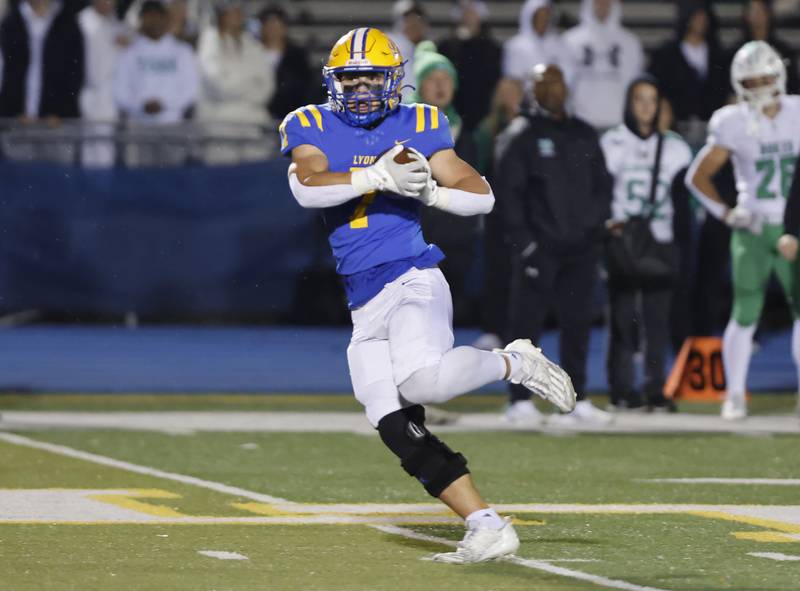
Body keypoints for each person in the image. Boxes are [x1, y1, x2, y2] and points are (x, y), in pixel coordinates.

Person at [281, 27, 575, 563]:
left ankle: (514, 362)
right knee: (393, 423)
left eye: (372, 77)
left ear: (394, 81)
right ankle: (486, 525)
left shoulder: (418, 123)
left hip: (412, 276)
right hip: (363, 299)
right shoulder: (310, 123)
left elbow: (481, 196)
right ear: (333, 82)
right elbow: (307, 186)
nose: (362, 88)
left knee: (422, 380)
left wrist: (431, 191)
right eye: (351, 78)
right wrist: (376, 176)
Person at [686, 41, 800, 420]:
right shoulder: (732, 121)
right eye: (752, 81)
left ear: (778, 76)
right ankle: (734, 394)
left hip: (794, 226)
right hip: (754, 226)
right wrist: (726, 213)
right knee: (745, 310)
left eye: (765, 78)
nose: (760, 86)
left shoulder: (797, 113)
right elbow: (697, 176)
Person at [494, 64, 612, 426]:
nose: (552, 90)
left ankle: (576, 399)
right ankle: (519, 401)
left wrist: (593, 231)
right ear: (532, 91)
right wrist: (526, 245)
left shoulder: (583, 132)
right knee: (526, 327)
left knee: (577, 326)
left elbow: (602, 186)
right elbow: (508, 194)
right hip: (539, 249)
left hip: (580, 249)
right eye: (544, 84)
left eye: (557, 83)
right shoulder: (521, 134)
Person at [601, 76, 692, 410]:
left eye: (652, 100)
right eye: (639, 99)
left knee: (657, 320)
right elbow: (601, 190)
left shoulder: (676, 148)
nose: (645, 107)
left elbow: (683, 202)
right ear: (629, 103)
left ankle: (655, 388)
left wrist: (683, 245)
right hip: (622, 238)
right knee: (623, 318)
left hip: (661, 238)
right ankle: (622, 389)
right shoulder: (612, 142)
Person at [411, 41, 479, 325]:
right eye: (432, 79)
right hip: (416, 238)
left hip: (457, 238)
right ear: (419, 86)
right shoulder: (403, 128)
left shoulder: (466, 132)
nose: (440, 85)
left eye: (446, 79)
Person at [562, 0, 644, 130]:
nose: (602, 7)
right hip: (581, 121)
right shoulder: (570, 40)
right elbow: (565, 82)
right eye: (598, 3)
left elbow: (636, 83)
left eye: (606, 3)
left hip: (619, 121)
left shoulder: (630, 42)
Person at [113, 0, 198, 124]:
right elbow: (120, 90)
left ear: (166, 18)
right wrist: (140, 105)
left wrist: (165, 105)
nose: (154, 21)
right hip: (138, 125)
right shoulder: (128, 53)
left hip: (173, 124)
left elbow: (191, 90)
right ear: (141, 20)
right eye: (149, 16)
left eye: (157, 16)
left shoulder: (183, 52)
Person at [0, 0, 84, 120]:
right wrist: (13, 111)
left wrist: (60, 111)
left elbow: (74, 73)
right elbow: (7, 72)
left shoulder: (68, 23)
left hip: (57, 119)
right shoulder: (11, 23)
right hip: (16, 118)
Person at [648, 0, 729, 125]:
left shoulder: (719, 56)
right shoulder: (666, 55)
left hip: (713, 126)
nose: (701, 20)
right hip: (675, 127)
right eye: (696, 14)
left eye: (704, 14)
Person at [197, 0, 271, 124]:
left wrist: (234, 81)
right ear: (222, 14)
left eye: (239, 10)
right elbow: (219, 86)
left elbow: (266, 87)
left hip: (252, 121)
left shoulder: (252, 44)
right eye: (233, 10)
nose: (238, 14)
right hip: (219, 122)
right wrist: (249, 82)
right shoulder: (209, 40)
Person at [79, 0, 132, 166]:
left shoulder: (119, 25)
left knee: (109, 151)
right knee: (89, 149)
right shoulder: (81, 22)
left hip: (113, 99)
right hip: (88, 94)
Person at [437, 0, 501, 133]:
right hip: (452, 113)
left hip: (482, 114)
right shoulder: (445, 47)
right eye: (465, 13)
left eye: (472, 14)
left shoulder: (492, 49)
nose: (468, 18)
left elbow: (495, 82)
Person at [730, 0, 799, 95]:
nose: (757, 17)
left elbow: (793, 89)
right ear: (745, 15)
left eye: (761, 11)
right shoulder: (735, 53)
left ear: (769, 14)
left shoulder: (784, 51)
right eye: (753, 12)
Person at [259, 4, 314, 120]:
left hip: (287, 115)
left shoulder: (297, 56)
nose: (273, 30)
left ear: (284, 27)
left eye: (277, 25)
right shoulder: (251, 52)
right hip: (256, 112)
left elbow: (304, 88)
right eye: (269, 25)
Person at [502, 0, 571, 86]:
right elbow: (513, 78)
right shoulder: (515, 46)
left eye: (546, 17)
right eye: (539, 17)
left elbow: (568, 73)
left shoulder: (561, 44)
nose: (543, 21)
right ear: (530, 18)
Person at [389, 0, 427, 100]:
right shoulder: (387, 46)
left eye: (418, 19)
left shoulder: (427, 49)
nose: (414, 24)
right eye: (408, 20)